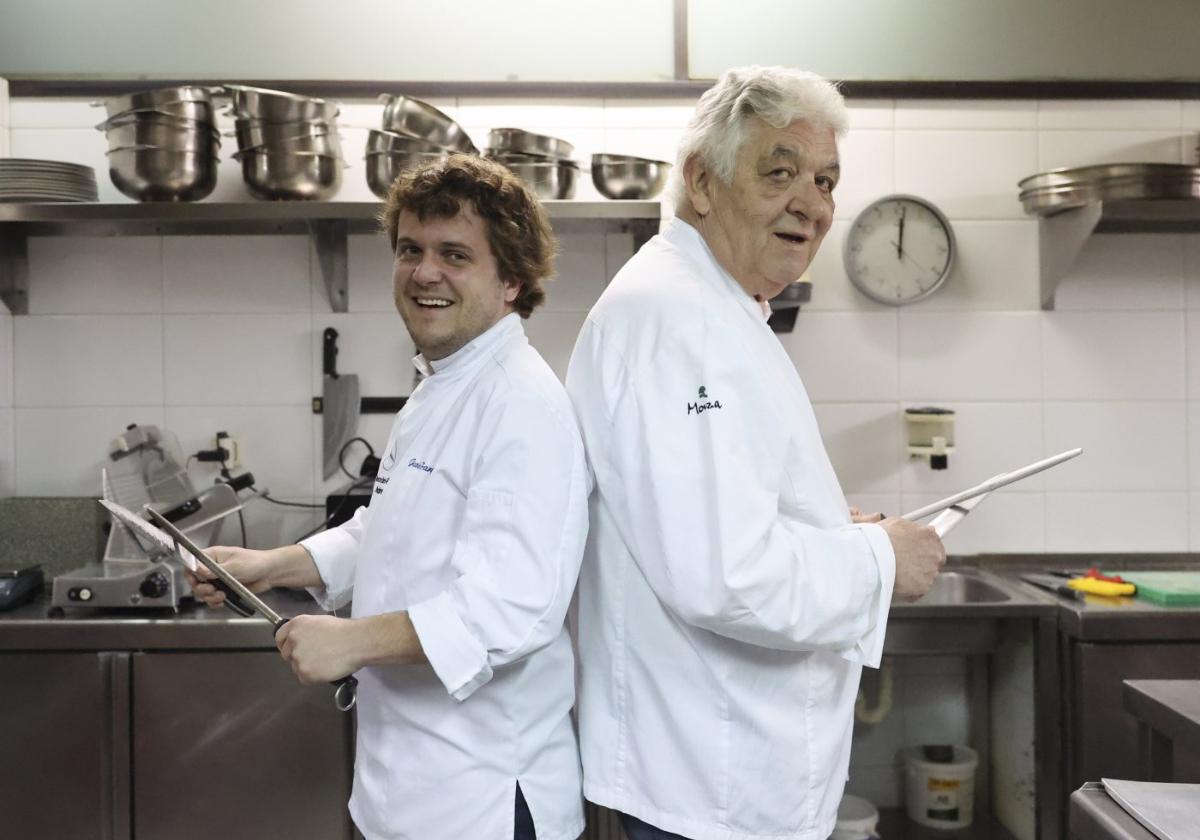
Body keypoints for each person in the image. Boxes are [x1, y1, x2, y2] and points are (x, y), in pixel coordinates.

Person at [565, 66, 946, 840]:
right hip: (708, 786)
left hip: (717, 775)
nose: (812, 203)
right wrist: (879, 560)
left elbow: (713, 513)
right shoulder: (679, 318)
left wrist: (827, 527)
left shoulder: (718, 307)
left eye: (827, 181)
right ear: (702, 183)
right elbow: (725, 574)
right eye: (781, 173)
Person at [188, 154, 588, 840]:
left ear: (512, 280)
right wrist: (273, 565)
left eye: (454, 254)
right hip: (405, 788)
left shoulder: (523, 406)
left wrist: (352, 642)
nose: (423, 272)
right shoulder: (440, 386)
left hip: (481, 802)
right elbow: (392, 527)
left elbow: (511, 609)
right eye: (411, 249)